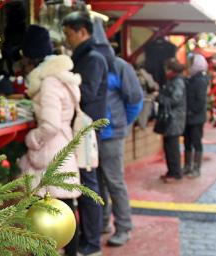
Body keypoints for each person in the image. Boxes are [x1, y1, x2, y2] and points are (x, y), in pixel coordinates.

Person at [17, 25, 82, 256]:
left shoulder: (48, 83)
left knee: (44, 212)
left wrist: (31, 138)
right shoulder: (61, 77)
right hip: (63, 146)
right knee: (66, 209)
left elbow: (51, 125)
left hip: (51, 150)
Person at [91, 18, 144, 246]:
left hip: (113, 135)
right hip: (93, 135)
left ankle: (124, 227)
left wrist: (120, 124)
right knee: (97, 182)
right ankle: (103, 222)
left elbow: (135, 100)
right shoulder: (89, 64)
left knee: (114, 182)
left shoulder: (121, 67)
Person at [62, 11, 108, 256]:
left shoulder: (92, 58)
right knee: (91, 183)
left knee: (89, 185)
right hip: (85, 129)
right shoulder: (86, 56)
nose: (67, 39)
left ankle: (91, 243)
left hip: (86, 131)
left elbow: (87, 94)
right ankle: (91, 236)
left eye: (69, 34)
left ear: (83, 32)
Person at [155, 58, 186, 183]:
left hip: (174, 119)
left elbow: (174, 100)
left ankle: (176, 172)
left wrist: (159, 97)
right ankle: (171, 171)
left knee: (172, 147)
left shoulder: (177, 82)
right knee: (168, 146)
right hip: (171, 119)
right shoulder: (173, 81)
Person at [183, 52, 209, 179]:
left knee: (196, 141)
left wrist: (191, 111)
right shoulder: (191, 79)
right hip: (189, 117)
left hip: (196, 117)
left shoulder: (200, 80)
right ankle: (188, 165)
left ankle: (196, 167)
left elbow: (200, 100)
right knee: (187, 141)